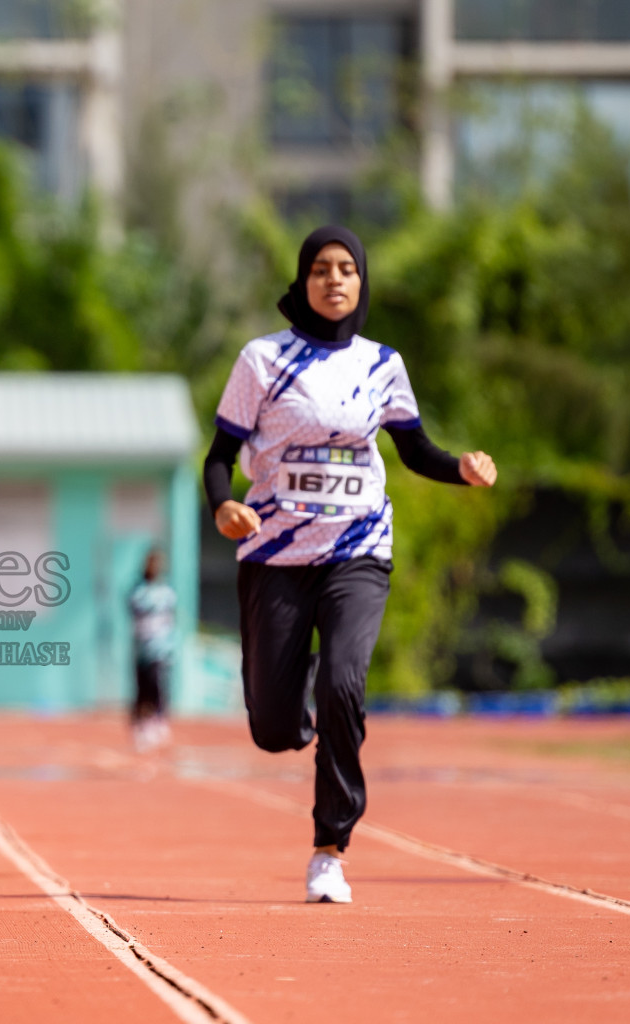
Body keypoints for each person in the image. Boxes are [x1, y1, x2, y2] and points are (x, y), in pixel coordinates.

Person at [204, 225, 497, 904]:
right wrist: (224, 506)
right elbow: (219, 456)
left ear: (361, 283)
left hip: (358, 551)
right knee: (274, 729)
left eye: (347, 270)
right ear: (302, 281)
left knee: (345, 684)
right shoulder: (262, 361)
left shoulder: (381, 364)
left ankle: (329, 850)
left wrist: (461, 467)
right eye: (321, 270)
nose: (334, 280)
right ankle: (298, 689)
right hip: (275, 555)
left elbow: (415, 450)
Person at [127, 547, 176, 751]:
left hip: (161, 648)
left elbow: (170, 619)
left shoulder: (167, 593)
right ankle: (140, 724)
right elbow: (134, 612)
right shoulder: (138, 592)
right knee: (142, 687)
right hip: (142, 648)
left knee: (158, 684)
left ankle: (158, 720)